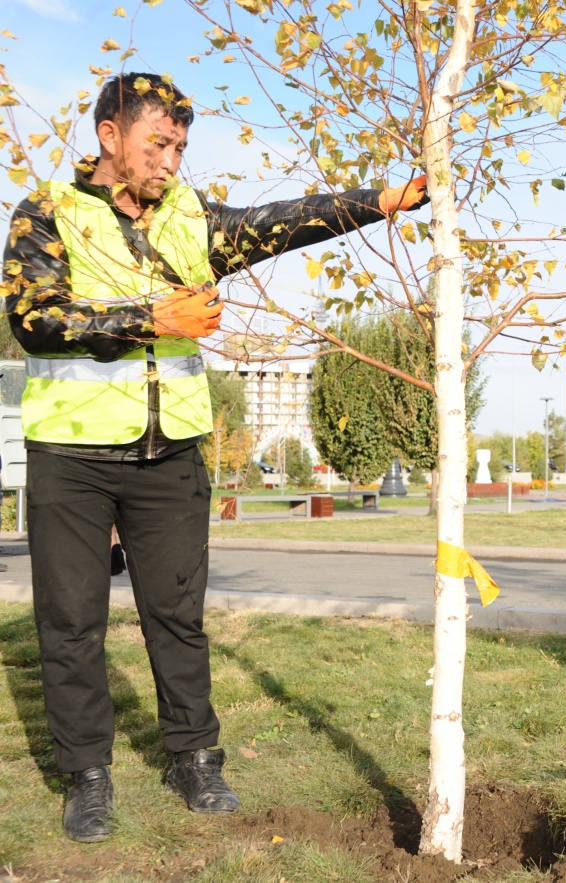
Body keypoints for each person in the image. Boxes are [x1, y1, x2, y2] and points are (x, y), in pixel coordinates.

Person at [1, 73, 428, 842]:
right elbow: (33, 318)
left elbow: (285, 220)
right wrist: (151, 315)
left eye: (179, 148)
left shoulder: (192, 219)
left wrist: (381, 200)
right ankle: (86, 775)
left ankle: (195, 757)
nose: (169, 161)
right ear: (109, 135)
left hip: (172, 454)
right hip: (72, 451)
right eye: (156, 143)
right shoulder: (49, 212)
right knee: (71, 621)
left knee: (177, 615)